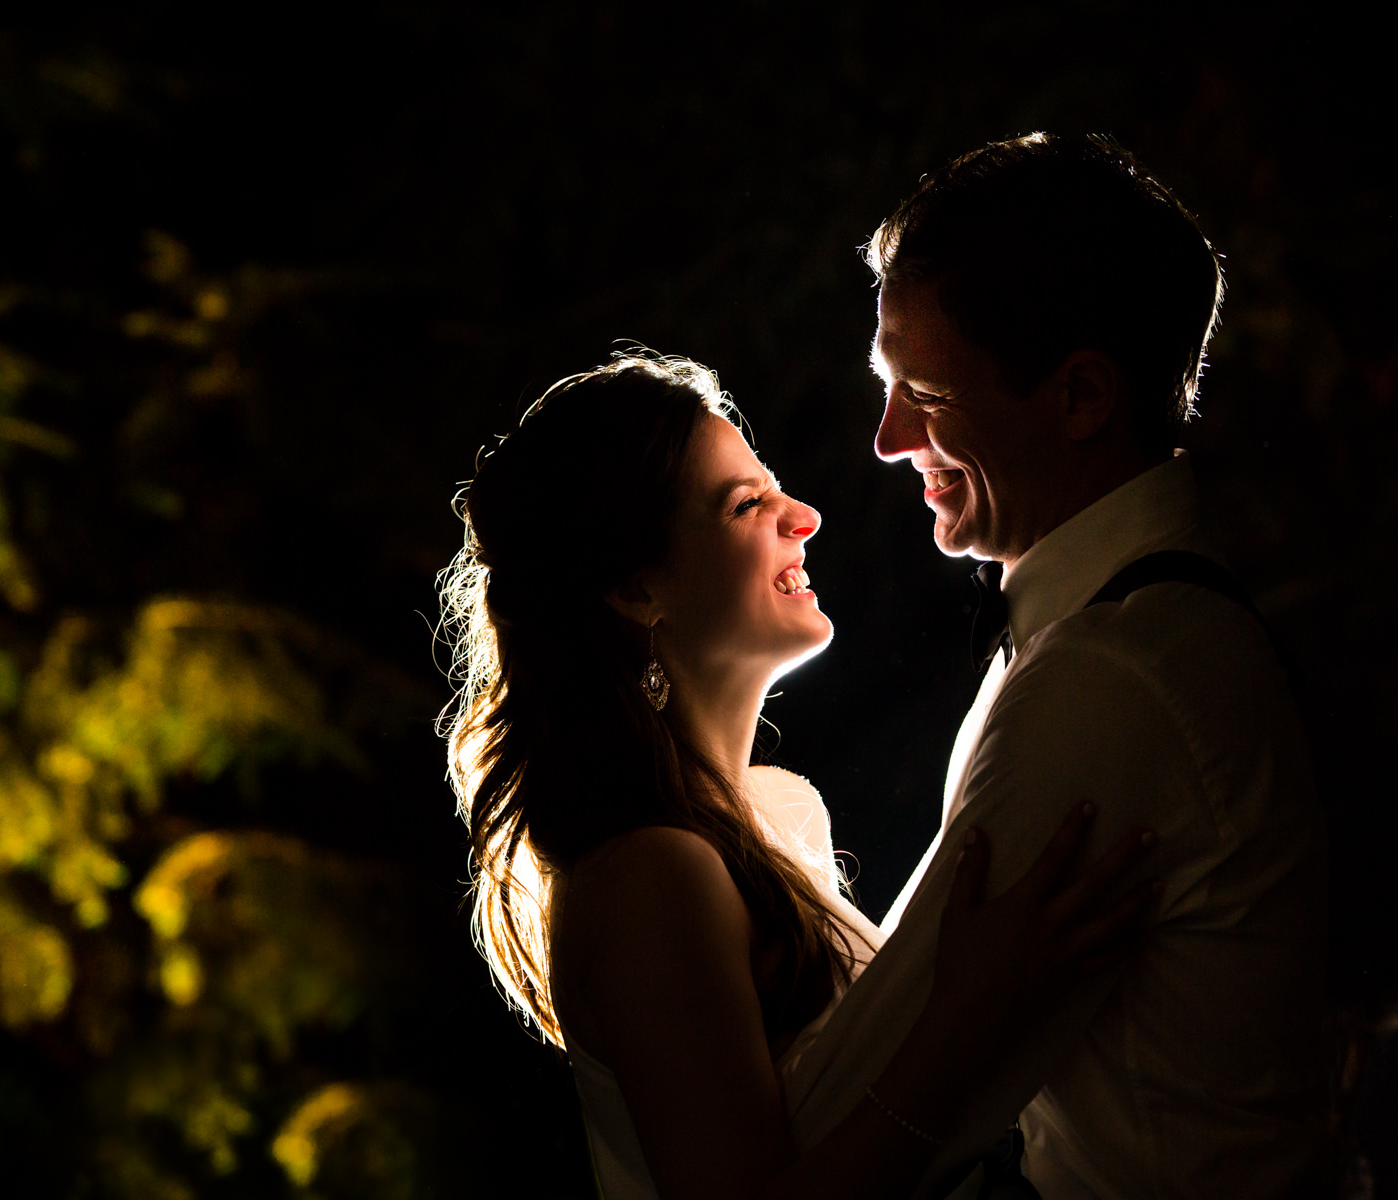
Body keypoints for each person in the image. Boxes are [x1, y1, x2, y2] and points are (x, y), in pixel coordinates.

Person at [439, 352, 1155, 1200]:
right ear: (636, 588)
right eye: (746, 505)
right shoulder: (649, 878)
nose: (804, 517)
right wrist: (968, 1022)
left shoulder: (771, 819)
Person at [780, 133, 1328, 1197]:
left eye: (927, 396)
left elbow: (836, 1109)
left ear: (1081, 397)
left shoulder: (1105, 683)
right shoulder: (1126, 633)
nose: (890, 440)